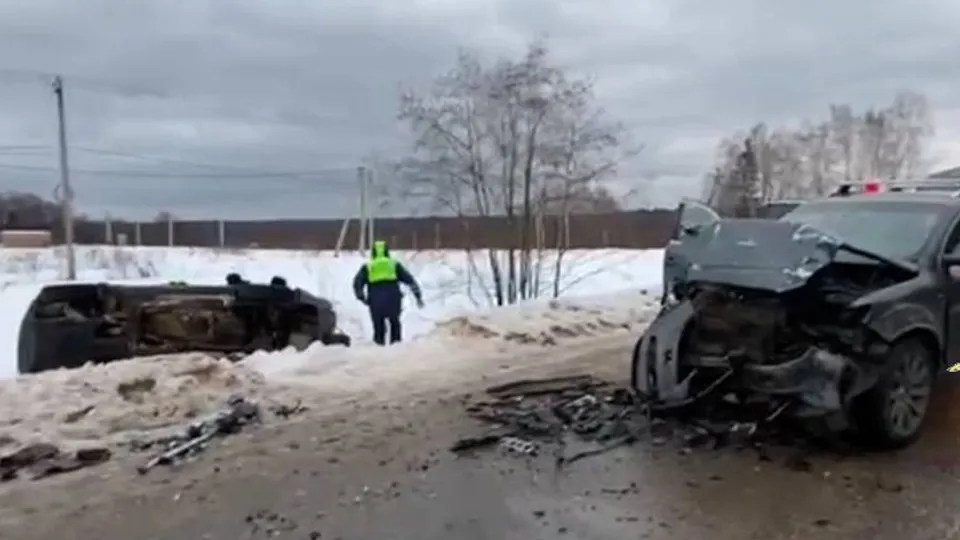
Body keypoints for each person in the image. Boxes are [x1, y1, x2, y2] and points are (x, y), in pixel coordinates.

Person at [353, 240, 423, 345]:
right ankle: (396, 348)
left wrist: (362, 297)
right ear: (387, 251)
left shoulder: (368, 266)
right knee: (395, 323)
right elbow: (410, 280)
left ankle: (378, 347)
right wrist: (418, 296)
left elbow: (357, 283)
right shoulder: (393, 264)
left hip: (375, 300)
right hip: (393, 299)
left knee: (378, 327)